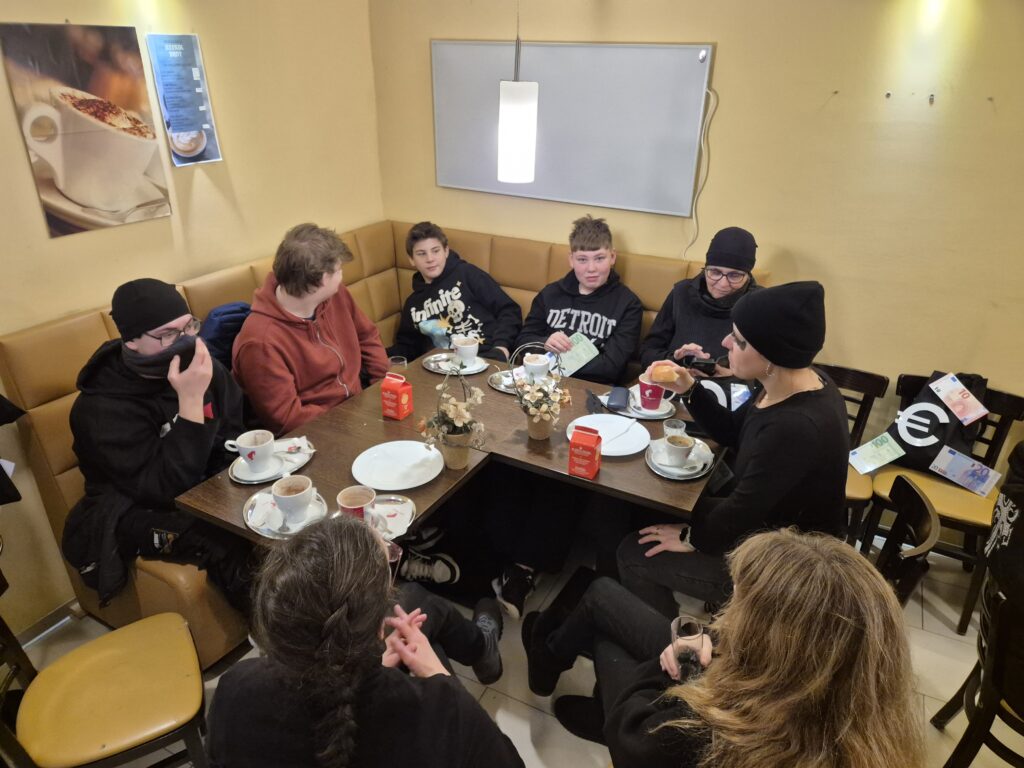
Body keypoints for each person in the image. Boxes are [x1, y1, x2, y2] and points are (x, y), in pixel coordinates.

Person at [522, 529, 924, 768]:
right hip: (720, 674)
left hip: (652, 722)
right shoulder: (845, 707)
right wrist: (702, 640)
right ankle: (549, 656)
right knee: (602, 595)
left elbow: (635, 738)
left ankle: (573, 686)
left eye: (739, 601)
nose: (728, 612)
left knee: (607, 636)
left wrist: (675, 661)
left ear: (769, 642)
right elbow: (726, 646)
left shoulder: (707, 734)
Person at [207, 515, 523, 768]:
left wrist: (362, 670)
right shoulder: (445, 711)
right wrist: (438, 676)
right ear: (378, 629)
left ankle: (481, 647)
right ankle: (482, 648)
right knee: (424, 617)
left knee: (420, 607)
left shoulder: (235, 692)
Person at [618, 281, 849, 616]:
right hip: (762, 524)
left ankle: (668, 641)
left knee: (633, 552)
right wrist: (689, 388)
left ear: (772, 355)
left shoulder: (796, 426)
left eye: (739, 340)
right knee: (653, 504)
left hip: (786, 564)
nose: (726, 342)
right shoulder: (788, 382)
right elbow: (732, 431)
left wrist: (691, 537)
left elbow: (743, 512)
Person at [62, 279, 254, 610]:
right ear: (131, 340)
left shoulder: (200, 365)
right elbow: (164, 489)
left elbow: (235, 430)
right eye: (168, 334)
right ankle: (277, 632)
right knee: (223, 542)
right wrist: (190, 403)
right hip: (134, 506)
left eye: (189, 326)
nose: (186, 340)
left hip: (201, 481)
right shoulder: (100, 410)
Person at [233, 223, 390, 435]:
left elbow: (367, 336)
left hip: (357, 409)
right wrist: (348, 418)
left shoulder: (336, 295)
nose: (341, 276)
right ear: (322, 279)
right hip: (314, 434)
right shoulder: (260, 341)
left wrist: (381, 387)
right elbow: (286, 419)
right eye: (339, 270)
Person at [516, 215, 642, 385]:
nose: (591, 268)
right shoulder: (550, 294)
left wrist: (555, 359)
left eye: (599, 258)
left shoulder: (628, 304)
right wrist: (544, 343)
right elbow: (522, 342)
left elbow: (612, 367)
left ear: (612, 257)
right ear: (571, 260)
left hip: (594, 388)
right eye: (582, 259)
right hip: (541, 382)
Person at [389, 221, 522, 362]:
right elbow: (408, 346)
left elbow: (509, 310)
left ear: (446, 251)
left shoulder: (468, 274)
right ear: (411, 259)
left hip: (487, 356)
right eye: (421, 254)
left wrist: (502, 347)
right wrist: (381, 356)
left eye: (435, 251)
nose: (430, 259)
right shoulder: (413, 304)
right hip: (444, 366)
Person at [640, 226, 760, 372]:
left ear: (748, 276)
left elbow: (769, 371)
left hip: (730, 386)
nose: (723, 284)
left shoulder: (760, 305)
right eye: (715, 272)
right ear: (705, 268)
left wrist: (725, 374)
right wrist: (678, 360)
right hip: (675, 381)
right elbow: (647, 353)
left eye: (734, 275)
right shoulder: (681, 293)